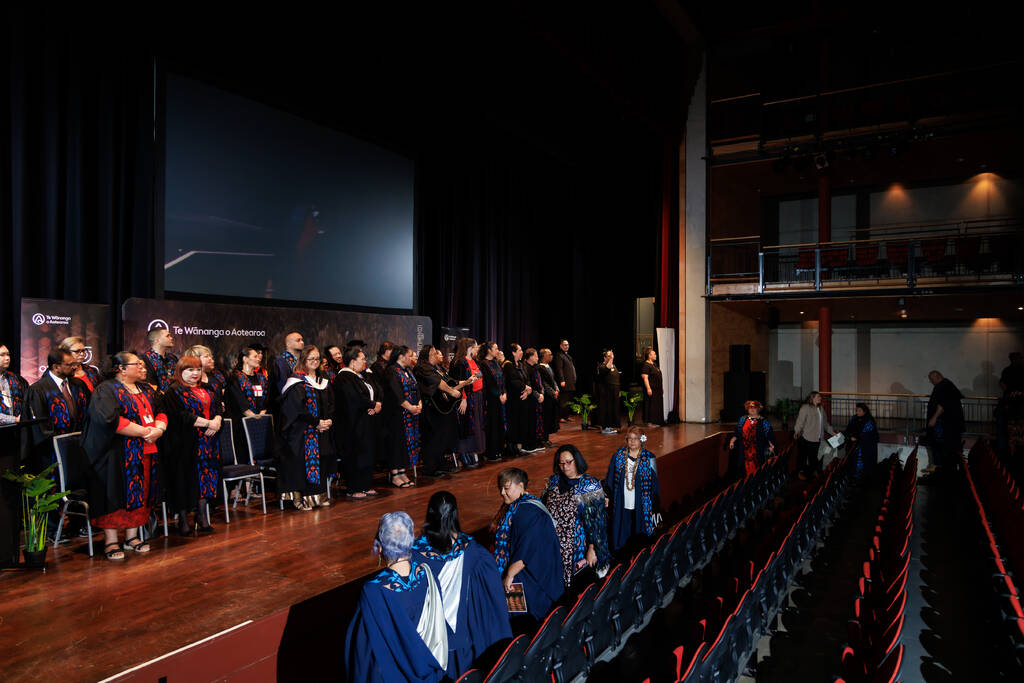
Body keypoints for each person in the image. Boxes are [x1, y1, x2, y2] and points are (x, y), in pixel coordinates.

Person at [412, 491, 512, 678]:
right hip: (463, 642)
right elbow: (492, 601)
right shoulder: (475, 553)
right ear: (455, 514)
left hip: (428, 645)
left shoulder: (413, 556)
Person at [81, 352, 167, 561]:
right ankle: (111, 540)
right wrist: (144, 432)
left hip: (146, 450)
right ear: (121, 368)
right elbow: (108, 420)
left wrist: (159, 429)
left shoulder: (146, 389)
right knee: (114, 494)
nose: (142, 368)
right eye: (137, 364)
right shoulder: (106, 390)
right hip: (116, 454)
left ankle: (132, 537)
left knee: (142, 492)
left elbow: (161, 411)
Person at [344, 511, 449, 683]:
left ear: (381, 545)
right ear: (411, 540)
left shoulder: (374, 592)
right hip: (430, 670)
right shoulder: (428, 575)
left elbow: (362, 652)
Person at [27, 349, 90, 539]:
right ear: (56, 367)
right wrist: (57, 441)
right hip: (51, 451)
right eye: (70, 364)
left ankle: (77, 525)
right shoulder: (38, 389)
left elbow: (87, 414)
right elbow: (38, 426)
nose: (75, 367)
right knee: (52, 489)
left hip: (78, 448)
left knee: (77, 486)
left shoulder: (78, 385)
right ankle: (53, 530)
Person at [490, 468, 564, 621]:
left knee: (524, 617)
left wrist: (509, 575)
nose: (502, 492)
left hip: (530, 576)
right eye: (501, 488)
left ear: (521, 486)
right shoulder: (519, 506)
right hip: (526, 571)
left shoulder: (528, 511)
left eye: (507, 488)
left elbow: (527, 549)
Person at [163, 356, 223, 535]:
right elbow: (178, 416)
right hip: (185, 444)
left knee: (206, 478)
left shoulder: (208, 388)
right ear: (180, 371)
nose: (195, 373)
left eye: (198, 369)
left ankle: (202, 515)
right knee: (185, 479)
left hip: (208, 443)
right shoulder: (174, 392)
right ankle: (183, 519)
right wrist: (207, 423)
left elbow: (218, 407)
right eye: (190, 370)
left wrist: (217, 420)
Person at [541, 445, 610, 589]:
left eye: (569, 462)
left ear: (577, 460)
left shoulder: (588, 485)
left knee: (577, 585)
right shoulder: (554, 481)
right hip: (553, 544)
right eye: (561, 463)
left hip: (577, 545)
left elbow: (597, 522)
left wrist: (592, 548)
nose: (565, 466)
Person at [279, 346, 336, 510]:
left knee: (321, 461)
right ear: (303, 360)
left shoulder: (322, 380)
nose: (314, 362)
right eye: (311, 359)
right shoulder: (296, 380)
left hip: (321, 430)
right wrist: (315, 422)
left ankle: (317, 496)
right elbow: (297, 408)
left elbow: (331, 403)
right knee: (301, 464)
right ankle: (300, 499)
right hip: (301, 432)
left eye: (317, 359)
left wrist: (328, 420)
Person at [333, 345, 381, 499]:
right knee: (355, 455)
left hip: (365, 423)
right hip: (351, 425)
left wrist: (376, 405)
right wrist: (372, 405)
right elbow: (353, 398)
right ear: (352, 362)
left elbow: (375, 391)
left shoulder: (362, 376)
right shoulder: (344, 378)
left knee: (367, 454)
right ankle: (353, 488)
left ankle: (365, 485)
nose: (365, 361)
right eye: (362, 359)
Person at [605, 428, 661, 557]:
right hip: (623, 498)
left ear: (641, 440)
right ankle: (622, 551)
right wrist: (607, 494)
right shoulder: (618, 456)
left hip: (642, 500)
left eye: (635, 438)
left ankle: (640, 551)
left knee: (639, 524)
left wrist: (655, 503)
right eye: (629, 439)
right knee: (623, 524)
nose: (632, 441)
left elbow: (654, 482)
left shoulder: (649, 457)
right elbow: (610, 476)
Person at [415, 345, 466, 476]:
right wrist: (451, 391)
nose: (436, 355)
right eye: (433, 354)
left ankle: (441, 464)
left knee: (443, 436)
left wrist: (464, 383)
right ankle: (430, 468)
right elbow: (437, 382)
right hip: (430, 409)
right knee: (433, 437)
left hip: (441, 408)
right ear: (427, 356)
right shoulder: (422, 368)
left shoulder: (437, 368)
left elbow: (449, 381)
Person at [225, 345, 270, 465]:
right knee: (243, 453)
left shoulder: (261, 378)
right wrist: (251, 417)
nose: (259, 358)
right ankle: (244, 483)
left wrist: (261, 414)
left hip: (259, 423)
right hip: (241, 424)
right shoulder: (235, 377)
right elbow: (239, 401)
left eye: (259, 356)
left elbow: (266, 397)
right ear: (245, 359)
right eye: (255, 356)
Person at [384, 345, 421, 488]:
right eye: (410, 355)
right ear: (401, 356)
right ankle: (395, 474)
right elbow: (396, 394)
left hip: (411, 414)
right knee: (396, 444)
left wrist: (419, 404)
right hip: (397, 415)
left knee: (406, 444)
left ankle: (402, 471)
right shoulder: (392, 371)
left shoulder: (408, 371)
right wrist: (410, 407)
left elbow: (416, 389)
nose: (412, 358)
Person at [449, 338, 486, 468]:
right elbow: (457, 382)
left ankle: (471, 451)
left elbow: (477, 376)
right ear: (470, 347)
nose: (477, 350)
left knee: (474, 426)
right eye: (476, 347)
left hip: (476, 397)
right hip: (466, 398)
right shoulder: (459, 362)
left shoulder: (474, 361)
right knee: (465, 425)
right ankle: (463, 452)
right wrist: (463, 399)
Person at [925, 370, 964, 478]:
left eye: (931, 380)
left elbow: (943, 404)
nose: (931, 382)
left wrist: (934, 418)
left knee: (942, 447)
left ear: (937, 377)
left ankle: (942, 471)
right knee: (942, 447)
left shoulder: (945, 386)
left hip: (945, 426)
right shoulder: (946, 385)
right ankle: (941, 469)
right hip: (946, 426)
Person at [793, 391, 836, 478]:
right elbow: (800, 421)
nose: (820, 398)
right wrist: (796, 431)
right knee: (805, 457)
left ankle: (815, 472)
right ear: (812, 398)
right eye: (818, 396)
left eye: (820, 397)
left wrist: (833, 433)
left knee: (817, 457)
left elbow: (825, 424)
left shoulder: (821, 409)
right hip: (807, 437)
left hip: (819, 438)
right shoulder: (805, 408)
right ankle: (802, 473)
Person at [729, 400, 776, 477]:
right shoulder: (742, 420)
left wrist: (772, 446)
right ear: (747, 409)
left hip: (758, 451)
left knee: (757, 471)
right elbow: (737, 433)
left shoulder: (764, 422)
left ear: (758, 409)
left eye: (754, 407)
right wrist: (732, 441)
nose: (752, 409)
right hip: (745, 451)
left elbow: (769, 435)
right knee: (744, 471)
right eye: (750, 407)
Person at [479, 341, 508, 462]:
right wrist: (498, 395)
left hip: (501, 398)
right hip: (491, 400)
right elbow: (489, 383)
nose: (498, 350)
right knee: (492, 425)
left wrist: (505, 392)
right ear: (489, 350)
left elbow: (502, 378)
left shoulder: (496, 362)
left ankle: (499, 449)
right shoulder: (483, 364)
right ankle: (491, 452)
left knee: (500, 424)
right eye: (495, 348)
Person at [502, 344, 533, 457]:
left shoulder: (521, 364)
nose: (522, 352)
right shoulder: (508, 365)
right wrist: (525, 388)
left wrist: (527, 391)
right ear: (513, 352)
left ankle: (518, 447)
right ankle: (511, 448)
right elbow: (512, 381)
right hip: (513, 400)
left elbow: (527, 379)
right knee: (513, 424)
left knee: (521, 423)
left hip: (523, 398)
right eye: (520, 350)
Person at [844, 403, 878, 476]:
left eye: (859, 410)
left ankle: (861, 479)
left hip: (864, 447)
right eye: (856, 410)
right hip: (852, 446)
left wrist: (857, 438)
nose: (857, 412)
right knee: (851, 464)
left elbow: (868, 435)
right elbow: (848, 429)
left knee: (863, 466)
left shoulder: (869, 421)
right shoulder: (854, 418)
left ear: (864, 411)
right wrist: (849, 437)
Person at [522, 348, 546, 451]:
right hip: (531, 399)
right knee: (531, 422)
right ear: (531, 357)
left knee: (537, 421)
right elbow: (529, 385)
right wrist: (537, 395)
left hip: (538, 398)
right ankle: (530, 444)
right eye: (536, 356)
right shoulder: (525, 368)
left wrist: (542, 394)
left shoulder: (535, 367)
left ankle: (537, 441)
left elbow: (540, 383)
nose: (537, 358)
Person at [141, 327, 178, 393]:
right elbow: (148, 383)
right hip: (156, 399)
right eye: (168, 336)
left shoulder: (173, 358)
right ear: (157, 340)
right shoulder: (145, 359)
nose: (171, 338)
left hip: (175, 398)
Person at [0, 345, 28, 425]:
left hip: (16, 430)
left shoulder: (16, 379)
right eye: (2, 355)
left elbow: (26, 402)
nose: (7, 358)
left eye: (8, 354)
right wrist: (14, 419)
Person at [595, 349, 621, 434]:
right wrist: (611, 359)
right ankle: (605, 427)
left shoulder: (613, 365)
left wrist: (619, 390)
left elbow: (616, 378)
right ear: (605, 358)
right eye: (609, 356)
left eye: (611, 356)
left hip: (615, 391)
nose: (611, 358)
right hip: (606, 392)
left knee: (614, 409)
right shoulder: (602, 366)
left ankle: (613, 426)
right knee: (607, 409)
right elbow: (607, 368)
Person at [537, 349, 560, 443]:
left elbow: (553, 380)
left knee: (550, 417)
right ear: (544, 356)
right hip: (546, 397)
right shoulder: (540, 367)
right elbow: (544, 383)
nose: (552, 356)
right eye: (549, 354)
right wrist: (552, 392)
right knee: (545, 418)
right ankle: (543, 438)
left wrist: (557, 389)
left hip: (552, 396)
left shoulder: (548, 366)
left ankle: (547, 439)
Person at [640, 347, 664, 427]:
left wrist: (661, 388)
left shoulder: (654, 365)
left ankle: (656, 421)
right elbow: (645, 378)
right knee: (650, 405)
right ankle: (649, 422)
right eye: (654, 354)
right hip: (651, 388)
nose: (656, 355)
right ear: (649, 356)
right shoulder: (646, 365)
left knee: (656, 405)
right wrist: (648, 388)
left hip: (657, 389)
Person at [553, 340, 577, 423]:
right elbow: (559, 369)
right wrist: (562, 380)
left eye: (567, 345)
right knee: (563, 400)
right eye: (564, 345)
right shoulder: (559, 355)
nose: (566, 346)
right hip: (565, 381)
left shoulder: (567, 356)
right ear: (561, 346)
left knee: (569, 400)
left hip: (570, 382)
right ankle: (560, 417)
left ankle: (566, 416)